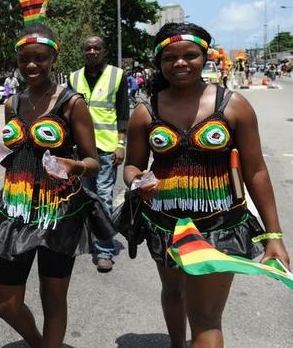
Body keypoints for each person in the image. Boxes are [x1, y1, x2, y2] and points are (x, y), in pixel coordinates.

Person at [124, 22, 290, 348]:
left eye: (190, 55)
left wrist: (274, 236)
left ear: (205, 57)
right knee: (173, 291)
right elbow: (132, 165)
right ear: (159, 62)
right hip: (164, 223)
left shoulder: (233, 106)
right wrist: (138, 181)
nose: (181, 63)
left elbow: (256, 171)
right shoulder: (145, 112)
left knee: (205, 319)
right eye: (170, 57)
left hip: (219, 225)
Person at [0, 23, 100, 348]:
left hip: (57, 214)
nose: (31, 65)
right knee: (4, 303)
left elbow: (93, 161)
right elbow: (11, 161)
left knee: (53, 298)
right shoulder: (11, 104)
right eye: (24, 59)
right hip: (15, 214)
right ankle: (38, 342)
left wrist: (75, 166)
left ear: (53, 58)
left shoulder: (72, 104)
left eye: (40, 58)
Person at [68, 36, 129, 272]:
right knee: (85, 195)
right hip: (81, 149)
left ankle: (104, 249)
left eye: (97, 48)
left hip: (106, 147)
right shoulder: (74, 78)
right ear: (83, 51)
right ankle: (89, 238)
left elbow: (123, 111)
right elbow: (68, 114)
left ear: (104, 51)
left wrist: (121, 143)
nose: (92, 51)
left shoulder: (117, 75)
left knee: (103, 196)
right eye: (88, 48)